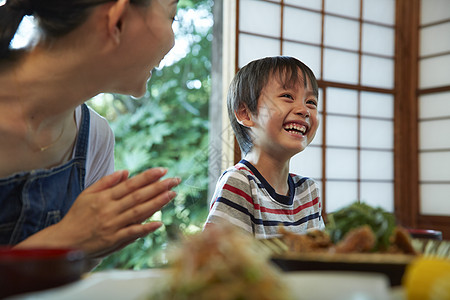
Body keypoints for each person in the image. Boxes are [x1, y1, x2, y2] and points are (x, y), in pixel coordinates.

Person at [0, 0, 181, 260]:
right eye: (171, 17)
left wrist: (96, 241)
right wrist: (63, 241)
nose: (173, 43)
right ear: (117, 20)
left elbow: (71, 275)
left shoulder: (95, 136)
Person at [204, 56, 324, 238]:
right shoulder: (239, 183)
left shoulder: (308, 190)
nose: (304, 110)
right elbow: (218, 260)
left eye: (311, 102)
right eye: (287, 97)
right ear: (246, 114)